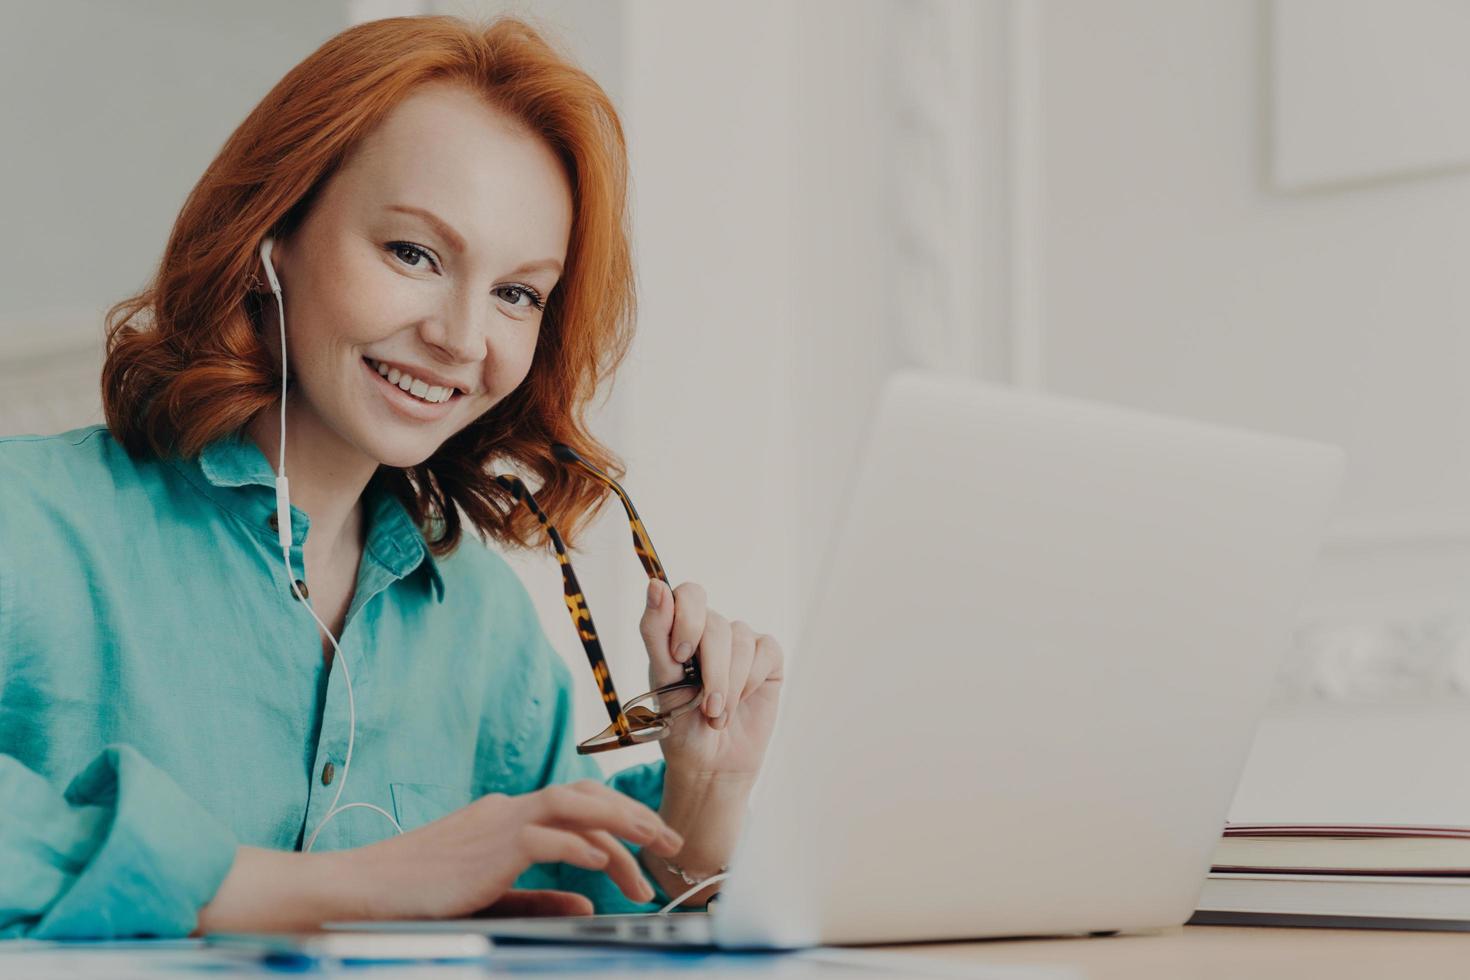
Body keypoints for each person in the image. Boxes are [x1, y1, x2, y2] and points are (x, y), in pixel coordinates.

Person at [0, 14, 783, 939]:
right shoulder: (32, 528)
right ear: (272, 235)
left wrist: (703, 785)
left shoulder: (481, 626)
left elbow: (591, 908)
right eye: (413, 253)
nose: (462, 338)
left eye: (517, 294)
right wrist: (361, 885)